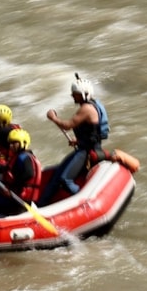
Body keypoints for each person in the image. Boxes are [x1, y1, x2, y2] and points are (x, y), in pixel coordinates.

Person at [38, 76, 109, 205]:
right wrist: (78, 141)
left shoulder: (86, 109)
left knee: (65, 179)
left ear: (83, 94)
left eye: (75, 94)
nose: (72, 96)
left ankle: (87, 203)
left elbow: (68, 125)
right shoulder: (92, 105)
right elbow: (92, 132)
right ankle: (41, 204)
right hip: (84, 147)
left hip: (87, 152)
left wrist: (54, 118)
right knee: (57, 175)